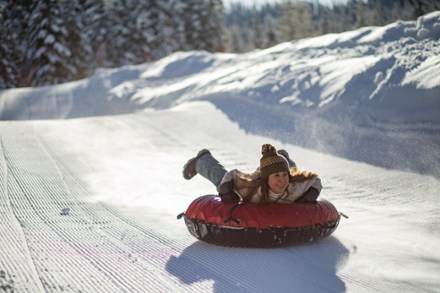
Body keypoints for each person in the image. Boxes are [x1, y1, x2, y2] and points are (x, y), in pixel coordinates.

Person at [182, 144, 322, 204]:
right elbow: (232, 175)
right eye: (276, 177)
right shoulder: (251, 189)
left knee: (292, 172)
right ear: (266, 179)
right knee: (221, 182)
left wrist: (310, 196)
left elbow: (315, 180)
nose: (282, 181)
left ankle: (282, 157)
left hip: (280, 168)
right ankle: (202, 161)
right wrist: (226, 191)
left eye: (284, 176)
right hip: (259, 176)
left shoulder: (293, 186)